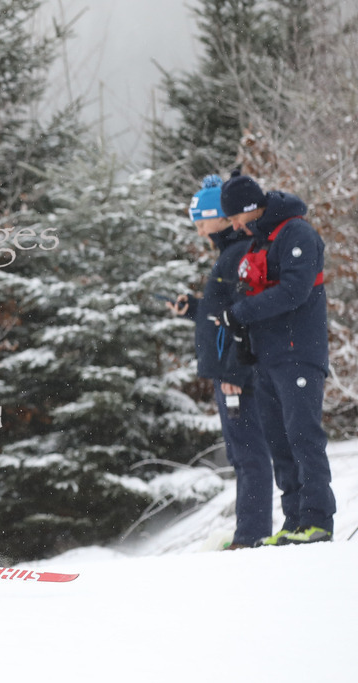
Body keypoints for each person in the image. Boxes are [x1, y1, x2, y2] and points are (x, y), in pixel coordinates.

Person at [216, 170, 335, 545]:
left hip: (298, 352)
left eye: (235, 215)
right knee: (280, 442)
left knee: (303, 436)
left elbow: (295, 292)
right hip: (266, 359)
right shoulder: (257, 242)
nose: (233, 224)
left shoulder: (296, 233)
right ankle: (294, 520)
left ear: (252, 208)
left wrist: (243, 312)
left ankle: (317, 520)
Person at [169, 175, 272, 548]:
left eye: (201, 224)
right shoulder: (231, 253)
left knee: (248, 453)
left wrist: (235, 370)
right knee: (242, 453)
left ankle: (252, 536)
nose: (199, 233)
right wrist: (193, 309)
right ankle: (250, 532)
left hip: (237, 374)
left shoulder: (239, 253)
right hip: (230, 370)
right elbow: (223, 315)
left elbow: (247, 317)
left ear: (219, 217)